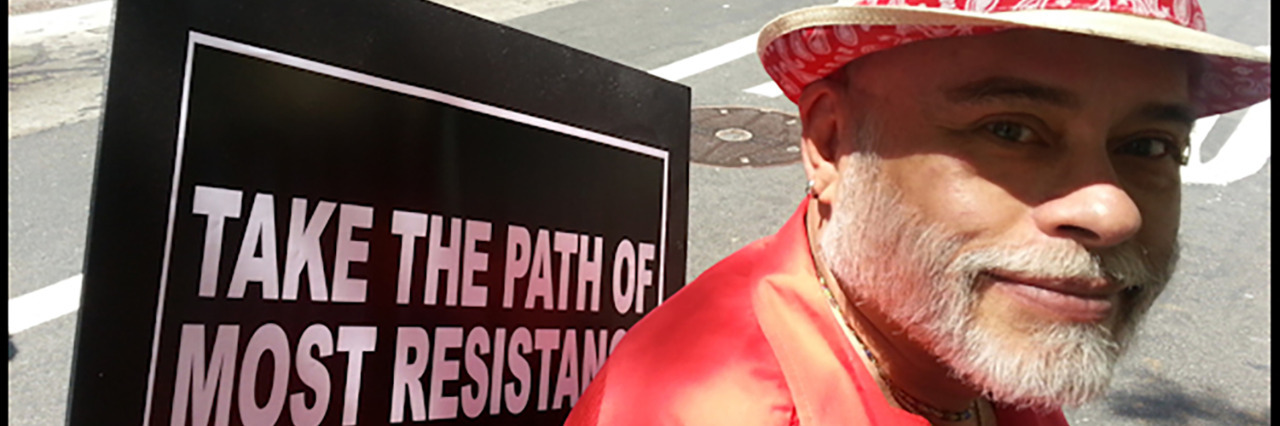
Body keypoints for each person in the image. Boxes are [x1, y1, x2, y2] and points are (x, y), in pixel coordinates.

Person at [566, 0, 1270, 425]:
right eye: (1010, 130)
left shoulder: (947, 346)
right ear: (831, 144)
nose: (1111, 211)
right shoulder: (721, 408)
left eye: (1149, 146)